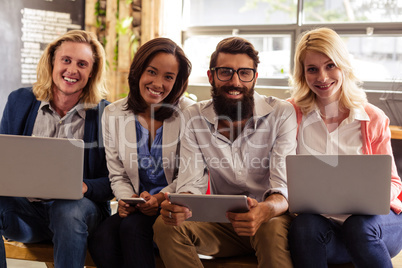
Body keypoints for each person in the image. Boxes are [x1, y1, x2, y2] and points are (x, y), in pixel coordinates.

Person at [152, 36, 297, 267]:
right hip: (222, 222)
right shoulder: (194, 117)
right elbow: (191, 183)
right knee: (166, 225)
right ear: (211, 76)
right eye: (226, 72)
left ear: (255, 77)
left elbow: (282, 187)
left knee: (270, 230)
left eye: (244, 73)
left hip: (269, 219)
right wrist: (181, 206)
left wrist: (264, 211)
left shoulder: (281, 113)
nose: (236, 82)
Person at [287, 27, 402, 267]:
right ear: (302, 74)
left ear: (343, 66)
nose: (322, 77)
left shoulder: (372, 118)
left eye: (330, 65)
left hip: (374, 227)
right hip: (325, 231)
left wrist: (373, 196)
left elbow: (394, 183)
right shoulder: (290, 114)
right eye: (312, 69)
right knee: (303, 225)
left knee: (358, 226)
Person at [0, 30, 113, 268]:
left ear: (91, 72)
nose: (72, 70)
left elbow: (115, 181)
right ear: (52, 62)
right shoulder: (20, 101)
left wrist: (84, 186)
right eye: (66, 60)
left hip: (80, 215)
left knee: (67, 209)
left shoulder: (106, 114)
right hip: (27, 215)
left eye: (82, 64)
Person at [88, 37, 194, 268]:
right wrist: (127, 199)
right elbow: (117, 173)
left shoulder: (189, 113)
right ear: (138, 72)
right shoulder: (114, 113)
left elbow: (190, 176)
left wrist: (158, 198)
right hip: (137, 206)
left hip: (172, 205)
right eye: (152, 72)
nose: (158, 83)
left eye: (168, 77)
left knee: (132, 230)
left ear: (177, 82)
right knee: (101, 238)